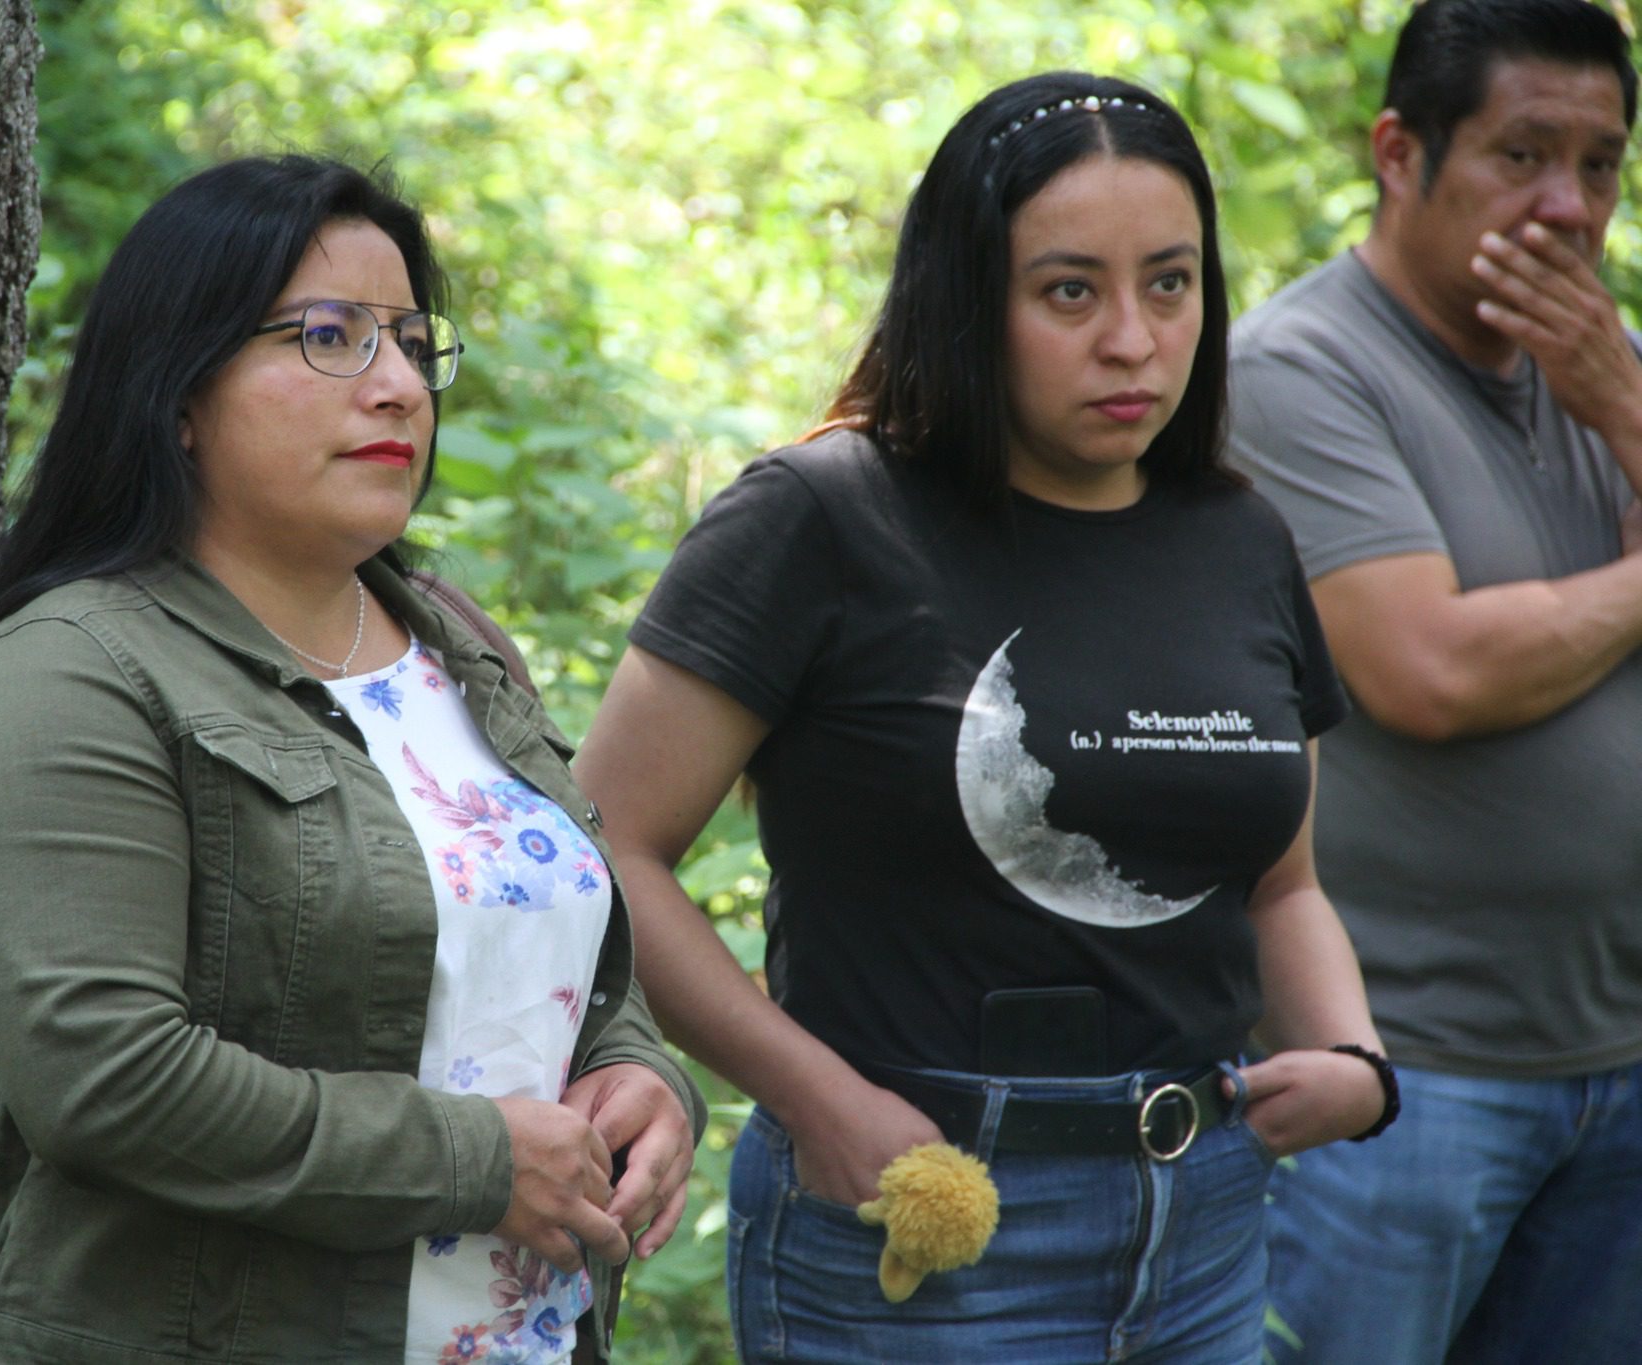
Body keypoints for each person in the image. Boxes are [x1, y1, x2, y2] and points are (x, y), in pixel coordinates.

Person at [573, 72, 1394, 1362]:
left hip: (1207, 1229)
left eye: (1168, 283)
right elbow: (606, 845)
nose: (1131, 337)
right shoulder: (820, 518)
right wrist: (815, 1100)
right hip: (916, 1219)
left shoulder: (1239, 538)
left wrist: (1352, 1055)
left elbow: (1279, 889)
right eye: (1069, 290)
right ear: (968, 299)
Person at [0, 154, 702, 1365]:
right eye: (328, 337)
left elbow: (552, 963)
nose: (394, 387)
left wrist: (640, 1078)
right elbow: (105, 1080)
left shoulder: (460, 648)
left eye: (406, 340)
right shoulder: (69, 676)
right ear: (177, 393)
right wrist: (476, 1162)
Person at [1224, 0, 1642, 1359]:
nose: (1568, 207)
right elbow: (1430, 668)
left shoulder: (1606, 383)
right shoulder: (1300, 372)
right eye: (1522, 155)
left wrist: (1627, 409)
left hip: (1615, 1065)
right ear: (1398, 152)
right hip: (1399, 1088)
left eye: (1601, 165)